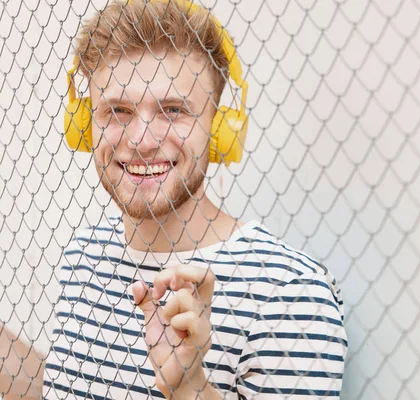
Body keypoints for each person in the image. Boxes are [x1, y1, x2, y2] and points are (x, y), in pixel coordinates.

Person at [0, 0, 348, 398]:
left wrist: (190, 387)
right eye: (117, 111)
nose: (141, 141)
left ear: (219, 129)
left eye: (172, 110)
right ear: (84, 125)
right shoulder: (86, 252)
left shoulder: (288, 293)